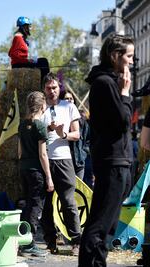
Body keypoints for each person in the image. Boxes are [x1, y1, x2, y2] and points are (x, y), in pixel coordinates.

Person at [79, 34, 134, 267]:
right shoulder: (105, 83)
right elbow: (123, 121)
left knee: (107, 224)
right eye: (128, 56)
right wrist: (125, 93)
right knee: (100, 224)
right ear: (115, 56)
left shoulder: (109, 81)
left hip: (118, 160)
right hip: (111, 161)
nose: (132, 61)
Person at [40, 72, 81, 256]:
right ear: (44, 90)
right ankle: (50, 242)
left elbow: (77, 134)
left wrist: (62, 134)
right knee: (47, 204)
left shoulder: (69, 106)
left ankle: (76, 241)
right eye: (48, 88)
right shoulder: (39, 109)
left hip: (64, 159)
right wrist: (47, 128)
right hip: (44, 159)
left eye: (54, 88)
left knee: (68, 202)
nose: (52, 91)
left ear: (59, 88)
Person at [18, 91, 54, 257]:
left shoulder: (22, 124)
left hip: (24, 168)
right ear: (42, 106)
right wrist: (49, 177)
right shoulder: (39, 126)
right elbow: (43, 154)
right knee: (35, 208)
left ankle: (23, 241)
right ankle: (28, 243)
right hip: (36, 171)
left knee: (27, 206)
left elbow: (19, 151)